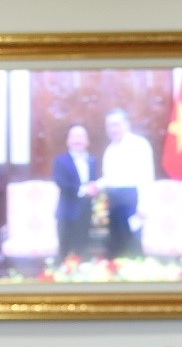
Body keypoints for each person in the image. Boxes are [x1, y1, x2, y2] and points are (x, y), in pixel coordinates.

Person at [98, 109, 155, 259]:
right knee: (115, 246)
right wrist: (96, 185)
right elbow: (109, 178)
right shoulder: (109, 149)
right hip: (113, 202)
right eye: (109, 126)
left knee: (132, 247)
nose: (113, 129)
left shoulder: (139, 144)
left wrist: (144, 204)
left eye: (116, 124)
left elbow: (147, 177)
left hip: (132, 201)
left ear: (127, 124)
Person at [52, 123, 99, 263]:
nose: (78, 140)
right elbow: (61, 183)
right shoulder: (60, 160)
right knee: (65, 253)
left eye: (81, 136)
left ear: (87, 141)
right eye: (74, 136)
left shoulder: (92, 160)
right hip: (66, 213)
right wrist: (83, 190)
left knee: (82, 251)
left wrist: (95, 188)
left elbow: (94, 181)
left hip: (86, 212)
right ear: (68, 141)